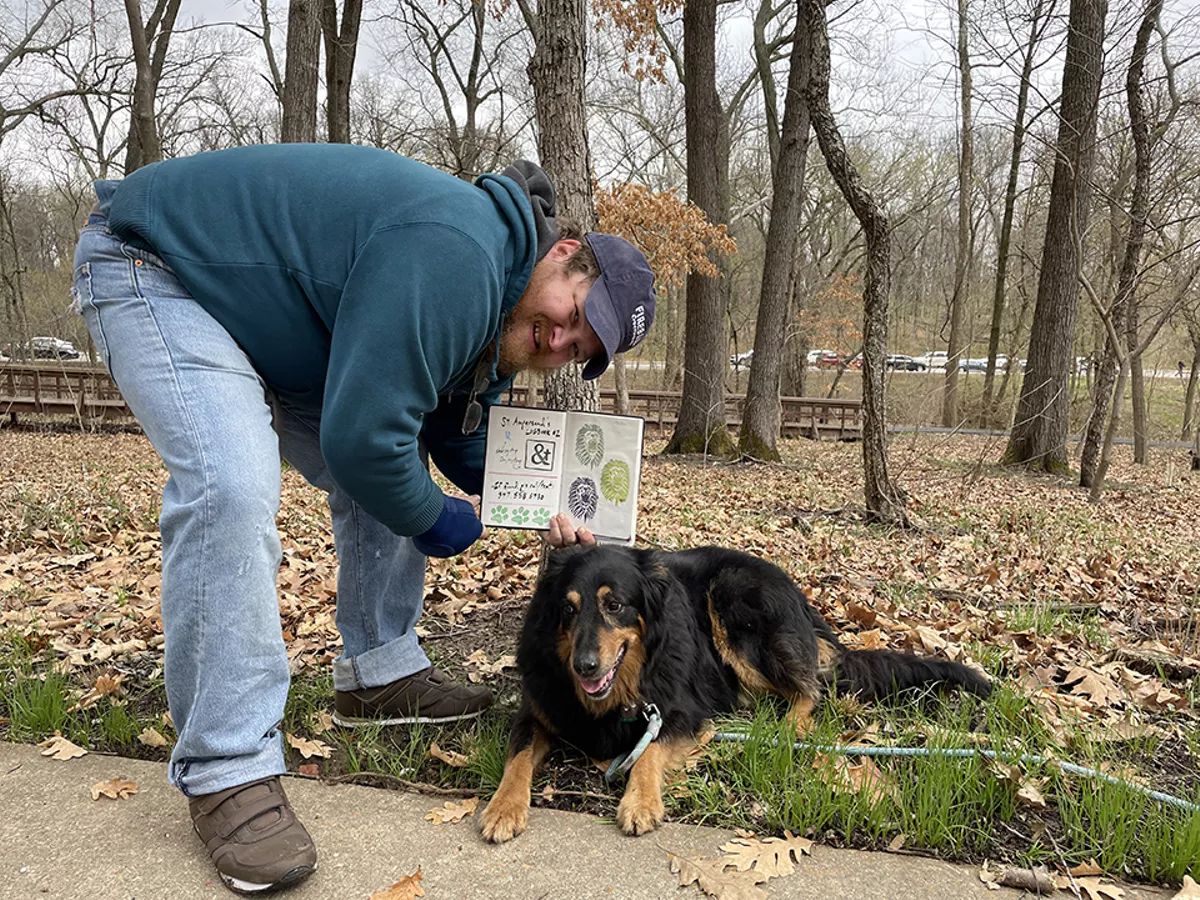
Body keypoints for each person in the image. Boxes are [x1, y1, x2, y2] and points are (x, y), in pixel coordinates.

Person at [71, 144, 655, 894]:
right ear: (566, 256)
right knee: (232, 485)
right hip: (161, 268)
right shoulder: (461, 256)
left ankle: (379, 676)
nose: (563, 342)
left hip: (278, 332)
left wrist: (540, 505)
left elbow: (456, 432)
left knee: (391, 456)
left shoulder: (502, 308)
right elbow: (362, 438)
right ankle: (226, 767)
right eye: (577, 315)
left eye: (584, 347)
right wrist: (434, 516)